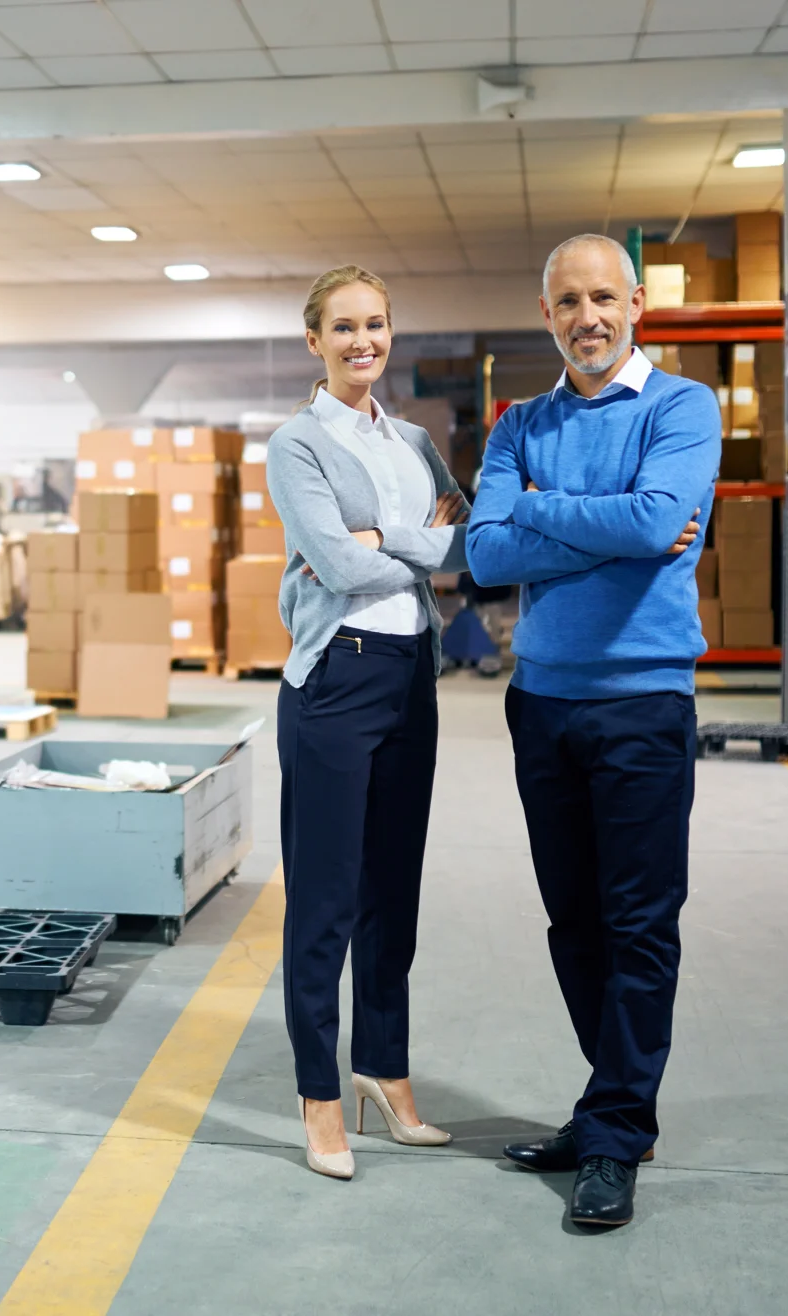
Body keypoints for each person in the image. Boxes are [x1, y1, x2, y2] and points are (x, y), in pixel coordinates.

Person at [465, 233, 715, 1229]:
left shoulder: (680, 406)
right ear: (548, 314)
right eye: (568, 301)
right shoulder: (518, 422)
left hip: (643, 703)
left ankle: (611, 1131)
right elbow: (483, 552)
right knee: (573, 920)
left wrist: (545, 521)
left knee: (639, 923)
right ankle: (619, 1102)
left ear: (637, 303)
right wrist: (610, 524)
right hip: (542, 703)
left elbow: (659, 521)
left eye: (604, 296)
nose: (587, 316)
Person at [264, 265, 469, 1182]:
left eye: (376, 324)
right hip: (334, 683)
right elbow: (341, 573)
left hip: (409, 677)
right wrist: (396, 549)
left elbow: (459, 536)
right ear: (315, 340)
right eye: (343, 327)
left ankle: (384, 1072)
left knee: (395, 895)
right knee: (326, 904)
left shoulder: (416, 440)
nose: (363, 343)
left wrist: (389, 545)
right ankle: (317, 1097)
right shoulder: (296, 444)